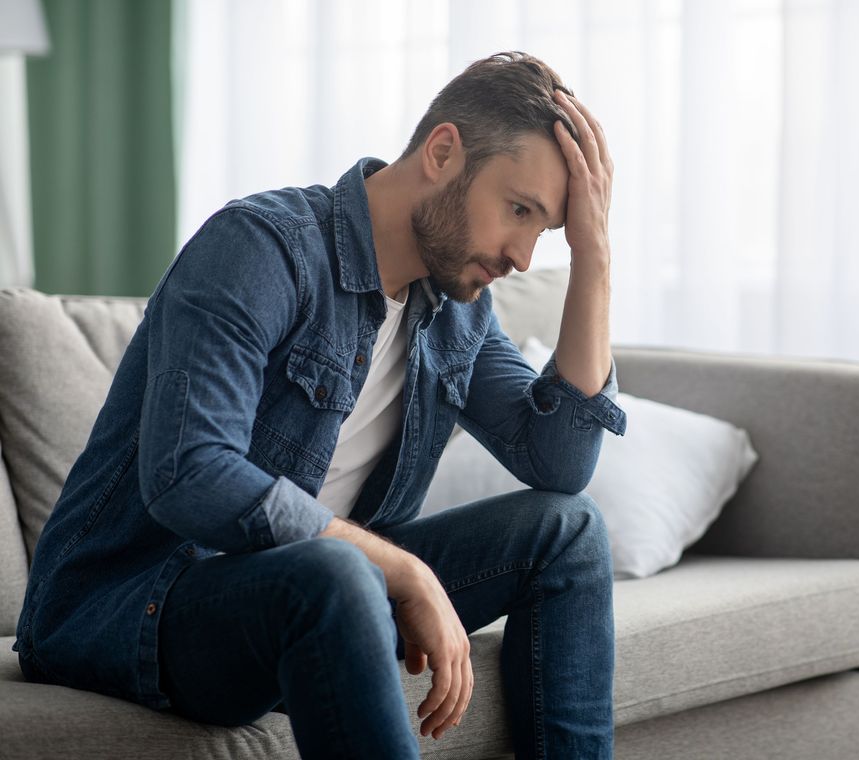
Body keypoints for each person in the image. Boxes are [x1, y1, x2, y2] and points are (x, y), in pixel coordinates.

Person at [13, 51, 627, 759]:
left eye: (544, 230)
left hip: (322, 605)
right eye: (518, 209)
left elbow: (560, 462)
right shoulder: (261, 247)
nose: (522, 253)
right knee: (338, 570)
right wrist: (401, 570)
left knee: (569, 530)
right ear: (442, 152)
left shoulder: (457, 311)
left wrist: (595, 256)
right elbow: (190, 472)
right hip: (134, 606)